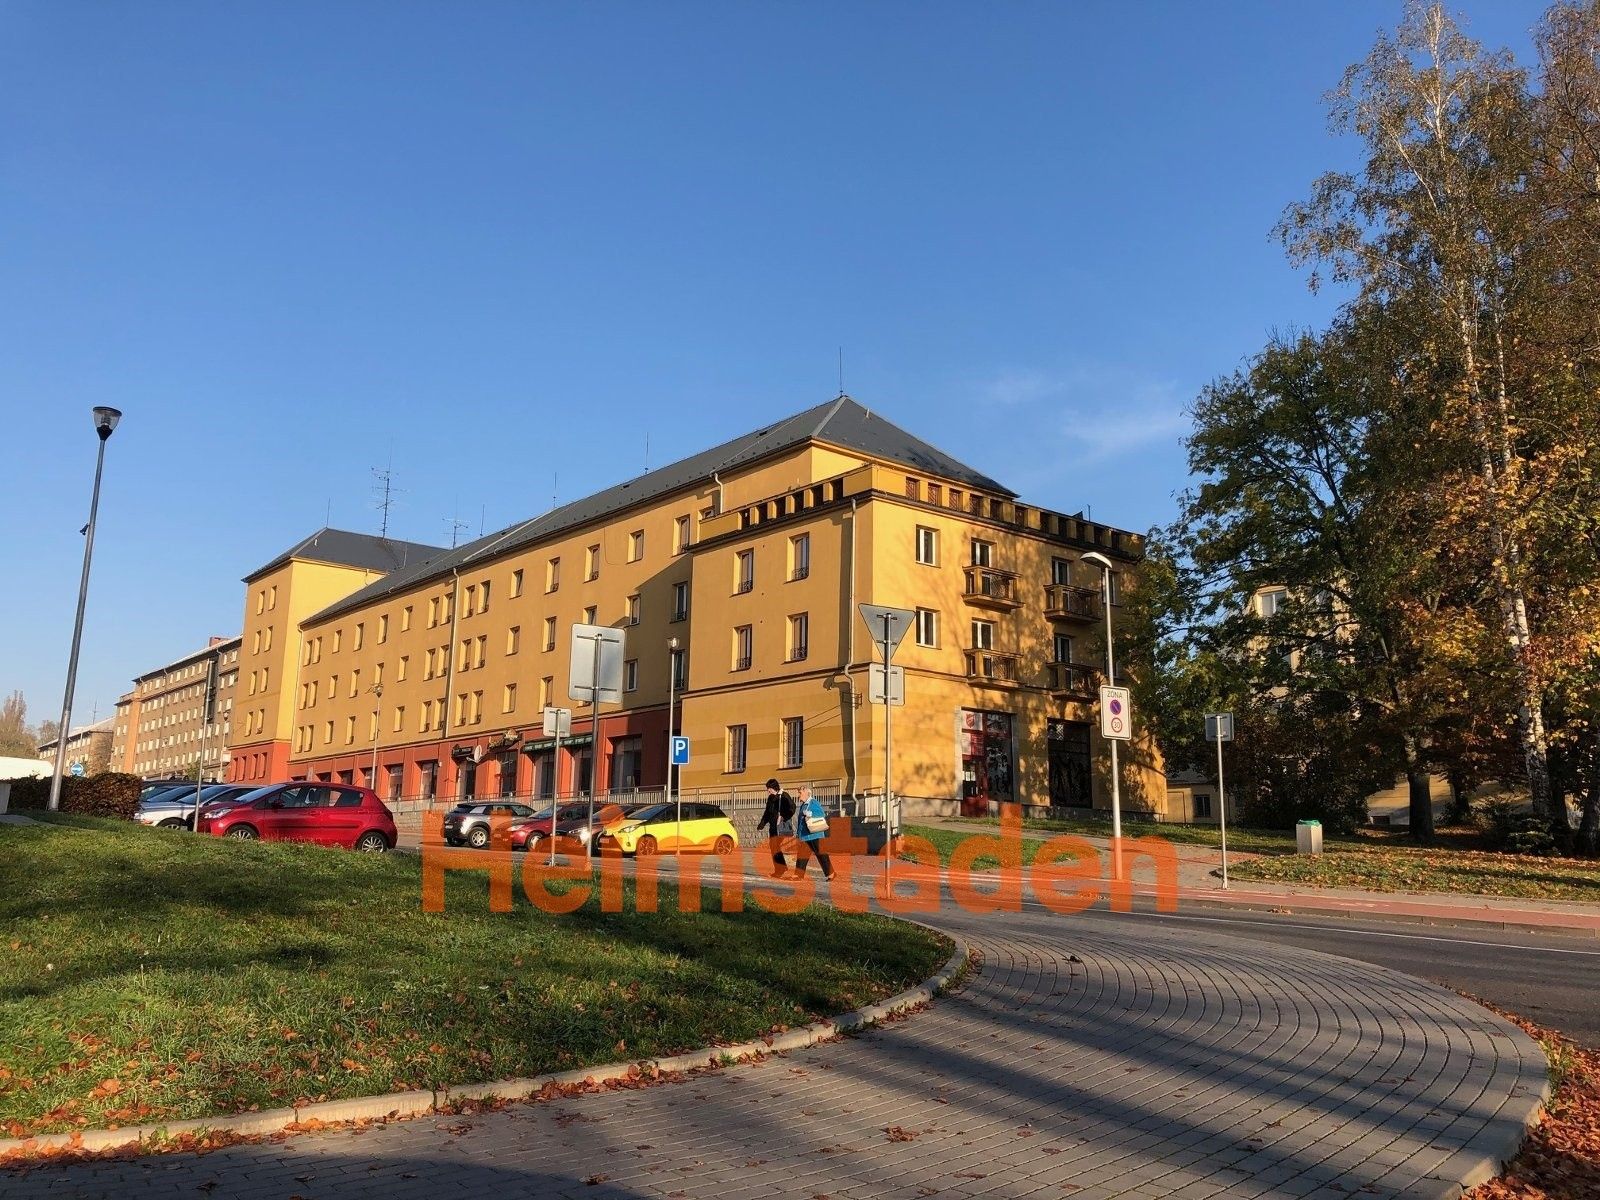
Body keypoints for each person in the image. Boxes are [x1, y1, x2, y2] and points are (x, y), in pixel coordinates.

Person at [792, 785, 834, 881]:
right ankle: (798, 875)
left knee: (821, 854)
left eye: (800, 793)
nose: (798, 795)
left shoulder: (813, 802)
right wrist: (798, 834)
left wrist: (810, 813)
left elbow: (821, 814)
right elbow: (801, 822)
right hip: (805, 836)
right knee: (802, 856)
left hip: (815, 835)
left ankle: (831, 874)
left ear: (806, 793)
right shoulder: (803, 805)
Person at [756, 778, 795, 878]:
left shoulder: (784, 795)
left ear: (773, 787)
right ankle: (780, 869)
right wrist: (761, 824)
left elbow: (792, 808)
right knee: (774, 847)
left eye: (769, 788)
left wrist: (783, 816)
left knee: (775, 846)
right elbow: (767, 813)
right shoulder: (770, 798)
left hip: (781, 827)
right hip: (773, 827)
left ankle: (780, 869)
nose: (767, 790)